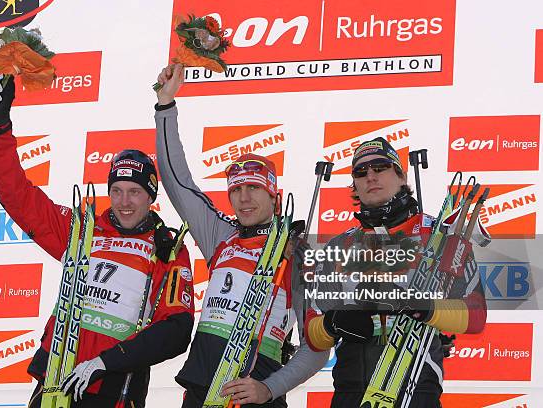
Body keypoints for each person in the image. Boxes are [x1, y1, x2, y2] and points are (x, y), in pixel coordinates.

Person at [0, 75, 194, 407]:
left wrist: (107, 362)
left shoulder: (167, 249)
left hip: (114, 385)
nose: (125, 201)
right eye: (117, 191)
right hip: (57, 377)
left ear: (151, 196)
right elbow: (17, 196)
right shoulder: (81, 230)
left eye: (135, 192)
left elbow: (176, 329)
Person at [154, 64, 329, 408]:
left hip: (257, 395)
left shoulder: (296, 252)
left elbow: (317, 348)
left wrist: (270, 388)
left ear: (274, 195)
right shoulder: (222, 235)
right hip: (203, 392)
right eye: (236, 190)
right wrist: (165, 106)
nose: (244, 197)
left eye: (254, 188)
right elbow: (178, 182)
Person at [303, 137, 488, 408]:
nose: (371, 177)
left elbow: (476, 315)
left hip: (415, 388)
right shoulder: (339, 246)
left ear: (401, 176)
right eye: (361, 172)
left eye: (380, 167)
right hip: (350, 392)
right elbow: (312, 334)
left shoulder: (439, 236)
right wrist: (334, 321)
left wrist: (425, 309)